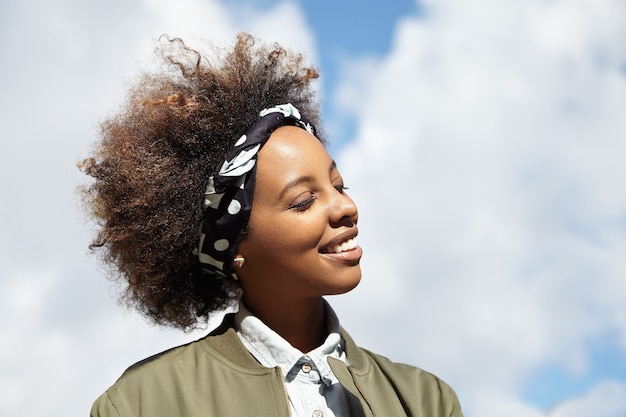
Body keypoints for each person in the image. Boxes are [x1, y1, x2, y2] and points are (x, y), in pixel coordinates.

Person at [81, 33, 464, 417]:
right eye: (304, 201)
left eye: (338, 185)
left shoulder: (424, 401)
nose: (345, 207)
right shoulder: (144, 404)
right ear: (233, 247)